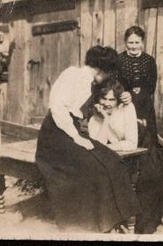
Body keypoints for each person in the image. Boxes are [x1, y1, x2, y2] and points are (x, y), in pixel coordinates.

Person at [35, 46, 140, 233]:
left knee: (112, 160)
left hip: (72, 132)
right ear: (102, 70)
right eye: (109, 72)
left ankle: (119, 217)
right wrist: (77, 138)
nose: (108, 76)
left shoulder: (89, 81)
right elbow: (58, 110)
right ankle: (99, 223)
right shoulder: (73, 75)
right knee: (95, 168)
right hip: (55, 137)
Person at [117, 26, 163, 234]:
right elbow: (117, 85)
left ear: (142, 42)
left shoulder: (149, 61)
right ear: (125, 43)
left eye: (137, 42)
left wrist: (136, 96)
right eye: (130, 43)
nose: (133, 46)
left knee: (149, 153)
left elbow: (150, 88)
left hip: (145, 109)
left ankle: (146, 209)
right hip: (125, 108)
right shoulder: (120, 60)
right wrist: (126, 96)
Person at [88, 80, 138, 153]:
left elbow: (132, 144)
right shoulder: (94, 118)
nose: (107, 103)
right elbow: (97, 147)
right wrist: (106, 119)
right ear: (98, 98)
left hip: (143, 151)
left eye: (112, 100)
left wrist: (104, 147)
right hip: (121, 153)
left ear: (118, 100)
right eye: (104, 98)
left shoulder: (127, 107)